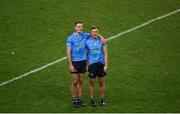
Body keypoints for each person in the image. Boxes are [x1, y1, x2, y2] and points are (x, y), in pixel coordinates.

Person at [66, 21, 105, 108]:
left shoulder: (85, 35)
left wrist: (101, 37)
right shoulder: (70, 38)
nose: (80, 28)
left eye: (81, 27)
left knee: (81, 81)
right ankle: (74, 99)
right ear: (75, 28)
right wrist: (70, 65)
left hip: (83, 62)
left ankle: (79, 99)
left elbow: (94, 34)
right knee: (75, 81)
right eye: (78, 27)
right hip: (75, 62)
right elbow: (68, 52)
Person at [86, 26, 108, 106]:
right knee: (92, 82)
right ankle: (91, 99)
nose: (95, 33)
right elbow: (86, 54)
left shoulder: (102, 41)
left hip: (101, 64)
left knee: (101, 81)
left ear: (98, 33)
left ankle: (101, 99)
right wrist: (87, 65)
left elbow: (105, 54)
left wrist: (106, 65)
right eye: (93, 32)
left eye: (96, 32)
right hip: (92, 64)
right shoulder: (87, 41)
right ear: (90, 33)